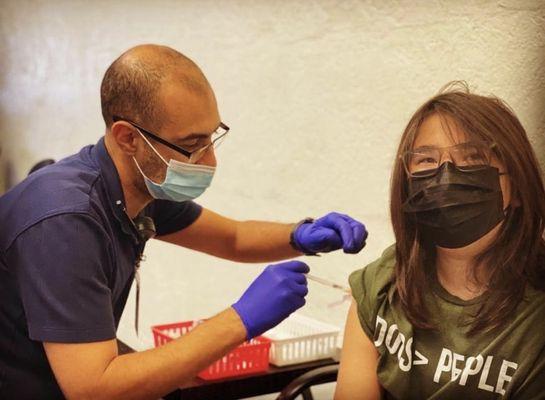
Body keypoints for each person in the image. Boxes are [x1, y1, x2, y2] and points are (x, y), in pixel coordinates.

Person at [0, 44, 368, 400]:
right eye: (192, 144)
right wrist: (240, 320)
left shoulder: (137, 187)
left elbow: (234, 238)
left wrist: (300, 235)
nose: (209, 162)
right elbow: (95, 389)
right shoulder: (67, 221)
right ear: (128, 137)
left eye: (212, 136)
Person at [335, 83, 545, 399]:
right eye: (427, 161)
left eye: (473, 158)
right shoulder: (379, 286)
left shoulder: (535, 318)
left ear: (516, 186)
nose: (446, 176)